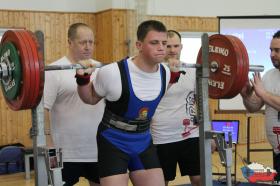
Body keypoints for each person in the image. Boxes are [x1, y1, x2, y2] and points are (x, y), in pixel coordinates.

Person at [75, 20, 182, 186]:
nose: (161, 48)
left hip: (143, 140)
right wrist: (83, 79)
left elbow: (157, 92)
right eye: (154, 43)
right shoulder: (112, 72)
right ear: (139, 45)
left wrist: (174, 77)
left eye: (164, 43)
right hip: (113, 141)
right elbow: (89, 98)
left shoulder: (166, 72)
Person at [44, 23, 105, 186]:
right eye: (82, 42)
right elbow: (44, 109)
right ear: (70, 42)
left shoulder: (101, 70)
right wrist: (48, 142)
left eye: (91, 42)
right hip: (64, 152)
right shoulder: (54, 71)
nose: (88, 47)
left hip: (97, 150)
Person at [151, 30, 201, 186]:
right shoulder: (154, 72)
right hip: (162, 136)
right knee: (161, 182)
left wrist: (208, 134)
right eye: (168, 46)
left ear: (181, 47)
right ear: (162, 47)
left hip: (191, 135)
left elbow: (202, 102)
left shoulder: (193, 70)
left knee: (200, 179)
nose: (172, 50)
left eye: (176, 46)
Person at [240, 30, 280, 183]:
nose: (272, 54)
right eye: (271, 50)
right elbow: (254, 107)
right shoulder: (269, 75)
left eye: (277, 50)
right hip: (277, 149)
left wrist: (262, 93)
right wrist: (246, 95)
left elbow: (264, 96)